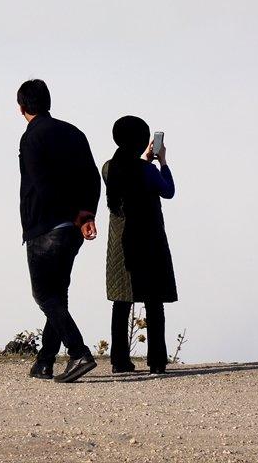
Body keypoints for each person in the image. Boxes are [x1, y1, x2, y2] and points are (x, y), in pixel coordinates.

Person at [16, 79, 100, 384]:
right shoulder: (74, 133)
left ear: (21, 107)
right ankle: (45, 361)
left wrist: (70, 213)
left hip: (44, 226)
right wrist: (86, 213)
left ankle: (78, 352)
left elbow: (42, 185)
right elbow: (93, 178)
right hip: (74, 229)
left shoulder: (32, 137)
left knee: (44, 296)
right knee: (57, 295)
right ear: (48, 102)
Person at [103, 115, 177, 375]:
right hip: (149, 242)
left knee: (121, 303)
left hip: (119, 248)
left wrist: (144, 161)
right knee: (154, 302)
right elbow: (168, 190)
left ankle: (119, 361)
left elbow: (129, 175)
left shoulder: (109, 168)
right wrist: (163, 162)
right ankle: (157, 361)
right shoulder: (148, 171)